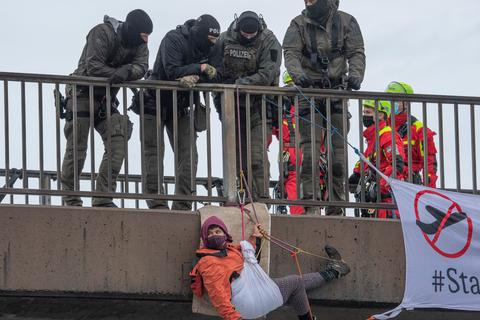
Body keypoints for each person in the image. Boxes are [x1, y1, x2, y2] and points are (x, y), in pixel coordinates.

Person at [61, 10, 152, 207]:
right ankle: (70, 199)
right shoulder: (102, 32)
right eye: (143, 35)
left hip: (106, 98)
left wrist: (126, 71)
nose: (146, 41)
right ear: (132, 30)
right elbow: (93, 66)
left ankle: (103, 197)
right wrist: (118, 74)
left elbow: (142, 67)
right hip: (81, 93)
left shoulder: (140, 45)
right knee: (77, 149)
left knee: (118, 144)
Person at [283, 0, 366, 215]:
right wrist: (298, 75)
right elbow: (290, 53)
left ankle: (336, 207)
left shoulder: (347, 21)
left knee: (338, 157)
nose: (309, 2)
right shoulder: (298, 24)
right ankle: (310, 205)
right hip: (308, 93)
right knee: (309, 154)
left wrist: (356, 76)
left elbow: (357, 52)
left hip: (336, 93)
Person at [190, 215, 350, 320]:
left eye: (218, 231)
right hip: (245, 304)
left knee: (296, 289)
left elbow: (248, 251)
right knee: (294, 282)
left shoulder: (231, 250)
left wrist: (254, 236)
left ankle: (335, 270)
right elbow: (218, 295)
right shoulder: (208, 261)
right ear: (205, 239)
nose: (214, 235)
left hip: (251, 296)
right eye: (210, 233)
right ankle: (335, 270)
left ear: (225, 234)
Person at [141, 15, 221, 210]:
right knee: (153, 153)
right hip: (154, 102)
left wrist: (199, 77)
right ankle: (157, 204)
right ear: (201, 34)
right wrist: (200, 67)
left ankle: (183, 204)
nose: (212, 44)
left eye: (214, 40)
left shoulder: (211, 47)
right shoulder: (174, 38)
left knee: (189, 154)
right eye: (210, 39)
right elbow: (171, 70)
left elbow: (216, 75)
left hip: (182, 105)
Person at [211, 11, 282, 202]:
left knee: (257, 158)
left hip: (258, 106)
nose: (249, 37)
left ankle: (260, 201)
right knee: (235, 159)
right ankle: (238, 199)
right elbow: (214, 69)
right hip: (229, 107)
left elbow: (268, 73)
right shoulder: (224, 39)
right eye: (245, 34)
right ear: (238, 28)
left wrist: (241, 84)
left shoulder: (269, 41)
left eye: (252, 35)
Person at [348, 100, 405, 219]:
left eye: (368, 112)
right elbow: (367, 159)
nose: (364, 115)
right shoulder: (374, 138)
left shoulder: (387, 136)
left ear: (380, 115)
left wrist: (379, 188)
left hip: (387, 202)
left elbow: (397, 165)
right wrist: (356, 174)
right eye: (363, 112)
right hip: (376, 202)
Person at [385, 81, 438, 188]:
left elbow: (430, 162)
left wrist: (429, 191)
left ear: (406, 103)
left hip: (407, 186)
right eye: (388, 98)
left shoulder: (419, 130)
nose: (390, 102)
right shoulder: (382, 127)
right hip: (382, 184)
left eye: (395, 99)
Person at [272, 71, 305, 215]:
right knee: (289, 183)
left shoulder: (302, 111)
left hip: (296, 152)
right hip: (288, 153)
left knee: (295, 184)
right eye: (289, 86)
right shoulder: (283, 110)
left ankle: (298, 219)